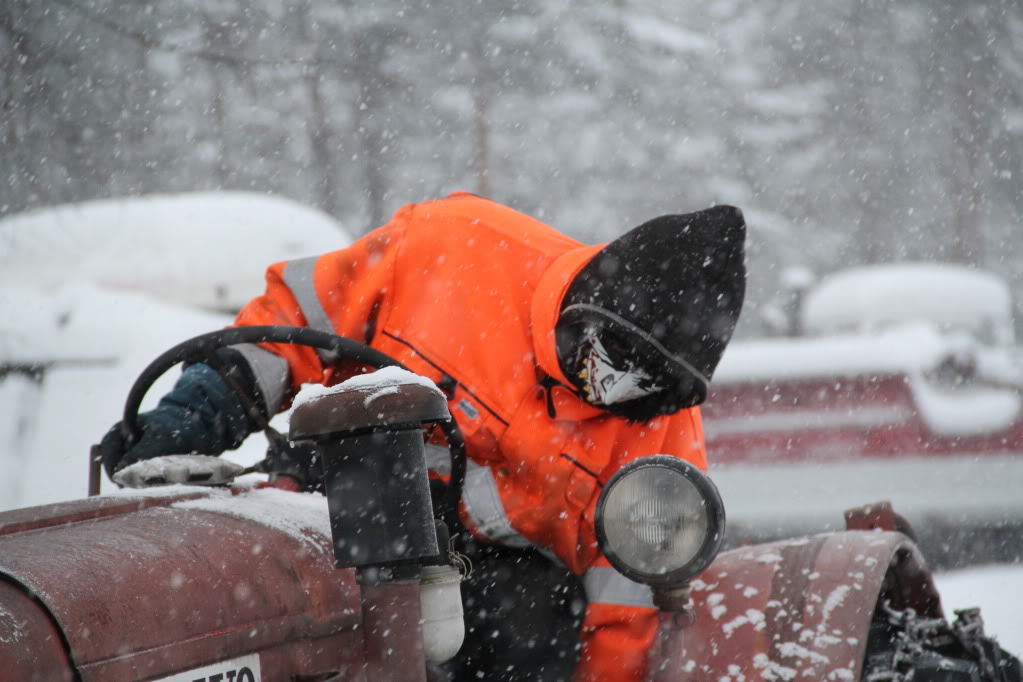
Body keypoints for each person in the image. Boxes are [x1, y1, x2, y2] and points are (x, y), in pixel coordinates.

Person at [101, 191, 747, 682]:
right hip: (342, 499)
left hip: (503, 573)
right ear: (587, 306)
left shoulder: (659, 450)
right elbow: (302, 315)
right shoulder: (454, 247)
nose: (612, 388)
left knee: (528, 645)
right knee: (269, 616)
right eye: (610, 357)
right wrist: (210, 403)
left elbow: (624, 597)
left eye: (642, 384)